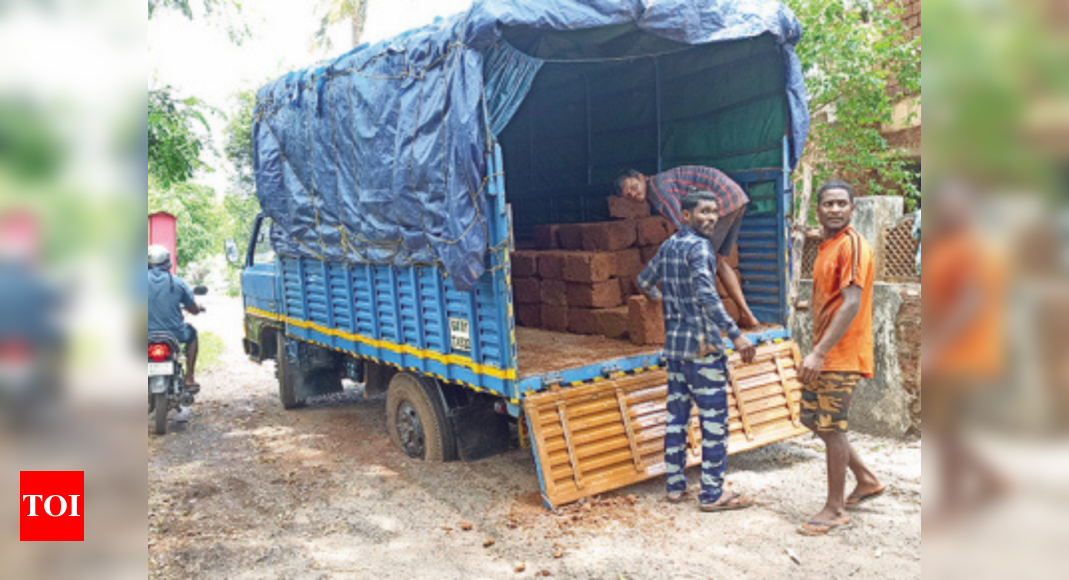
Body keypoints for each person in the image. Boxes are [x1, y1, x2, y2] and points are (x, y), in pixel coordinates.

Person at [637, 189, 757, 511]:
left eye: (714, 212)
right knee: (714, 423)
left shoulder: (668, 246)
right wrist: (736, 335)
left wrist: (666, 304)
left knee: (677, 419)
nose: (711, 218)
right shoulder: (700, 248)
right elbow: (707, 295)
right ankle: (711, 494)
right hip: (703, 352)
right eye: (703, 212)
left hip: (676, 351)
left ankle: (675, 486)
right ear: (686, 215)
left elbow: (644, 281)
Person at [797, 180, 885, 536]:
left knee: (833, 428)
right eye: (828, 204)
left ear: (852, 209)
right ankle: (865, 479)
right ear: (818, 210)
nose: (834, 209)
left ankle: (834, 509)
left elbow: (851, 303)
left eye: (841, 204)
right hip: (826, 352)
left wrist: (818, 352)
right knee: (810, 418)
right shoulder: (827, 246)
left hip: (841, 354)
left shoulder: (852, 245)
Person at [922, 180, 1009, 528]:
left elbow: (972, 301)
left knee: (947, 431)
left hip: (966, 354)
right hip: (952, 352)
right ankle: (994, 482)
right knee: (949, 430)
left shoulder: (977, 248)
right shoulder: (947, 246)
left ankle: (952, 504)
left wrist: (938, 345)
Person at [617, 166, 760, 329]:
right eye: (629, 195)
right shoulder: (662, 183)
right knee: (718, 263)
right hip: (735, 197)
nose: (634, 195)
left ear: (642, 177)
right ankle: (748, 316)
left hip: (722, 200)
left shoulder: (658, 191)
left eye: (634, 188)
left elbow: (683, 226)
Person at [147, 245, 205, 400]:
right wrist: (199, 309)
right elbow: (192, 308)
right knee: (192, 334)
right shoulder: (178, 283)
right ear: (167, 263)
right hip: (173, 333)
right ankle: (189, 377)